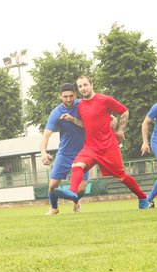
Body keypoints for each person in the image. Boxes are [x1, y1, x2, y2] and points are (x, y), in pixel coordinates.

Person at [56, 75, 149, 209]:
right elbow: (86, 124)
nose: (83, 88)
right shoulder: (80, 105)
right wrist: (73, 120)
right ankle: (72, 192)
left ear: (92, 84)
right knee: (77, 165)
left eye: (85, 85)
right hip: (90, 146)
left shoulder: (105, 99)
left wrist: (121, 130)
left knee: (121, 177)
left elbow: (124, 112)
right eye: (80, 86)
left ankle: (142, 196)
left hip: (108, 146)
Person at [38, 83, 85, 215]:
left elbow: (98, 114)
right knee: (52, 186)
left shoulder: (82, 105)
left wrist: (112, 118)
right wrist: (43, 153)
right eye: (65, 97)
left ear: (75, 95)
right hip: (64, 153)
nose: (69, 99)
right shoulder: (56, 113)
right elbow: (46, 135)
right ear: (60, 96)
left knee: (81, 190)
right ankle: (54, 208)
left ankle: (76, 200)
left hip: (83, 153)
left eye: (71, 96)